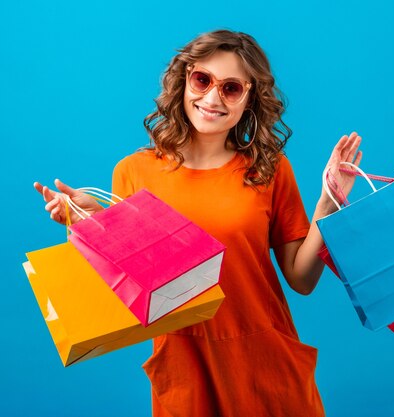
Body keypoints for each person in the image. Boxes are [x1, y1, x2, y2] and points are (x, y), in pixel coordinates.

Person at [34, 29, 362, 417]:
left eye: (231, 88)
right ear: (185, 78)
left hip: (264, 360)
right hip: (184, 366)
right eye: (203, 80)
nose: (211, 98)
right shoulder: (133, 172)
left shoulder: (269, 170)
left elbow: (302, 280)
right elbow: (133, 290)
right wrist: (95, 220)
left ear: (250, 97)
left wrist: (329, 201)